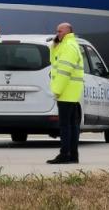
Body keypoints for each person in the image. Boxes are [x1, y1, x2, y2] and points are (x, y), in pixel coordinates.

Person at [47, 22, 84, 165]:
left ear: (68, 32)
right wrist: (54, 46)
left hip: (66, 91)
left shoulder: (68, 46)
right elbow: (54, 61)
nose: (57, 34)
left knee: (65, 126)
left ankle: (64, 154)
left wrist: (56, 90)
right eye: (57, 31)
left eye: (60, 31)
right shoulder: (68, 45)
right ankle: (73, 155)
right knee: (73, 125)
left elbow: (63, 71)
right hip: (72, 92)